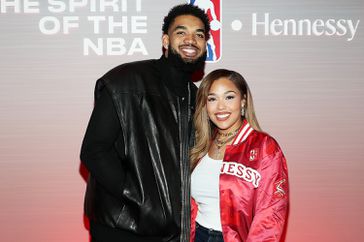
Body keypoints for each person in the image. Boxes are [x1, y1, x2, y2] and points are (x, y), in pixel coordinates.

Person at [80, 4, 210, 242]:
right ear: (165, 40)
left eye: (199, 35)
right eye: (181, 32)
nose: (191, 39)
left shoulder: (199, 99)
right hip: (121, 227)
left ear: (204, 47)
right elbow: (94, 151)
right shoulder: (124, 82)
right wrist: (140, 200)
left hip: (169, 232)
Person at [190, 69, 289, 242]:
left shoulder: (265, 146)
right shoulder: (199, 145)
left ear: (243, 101)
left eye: (229, 97)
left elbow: (271, 213)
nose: (221, 106)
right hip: (196, 236)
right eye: (212, 99)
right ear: (205, 106)